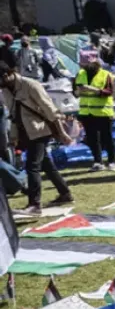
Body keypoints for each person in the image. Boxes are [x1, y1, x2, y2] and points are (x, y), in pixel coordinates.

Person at [0, 66, 73, 214]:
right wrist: (13, 137)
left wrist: (62, 132)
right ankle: (65, 193)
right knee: (46, 164)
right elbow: (13, 116)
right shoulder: (6, 91)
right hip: (26, 132)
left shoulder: (31, 85)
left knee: (32, 165)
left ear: (8, 74)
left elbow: (50, 109)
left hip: (41, 130)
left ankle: (34, 204)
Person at [74, 49, 115, 171]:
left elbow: (109, 92)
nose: (82, 66)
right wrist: (78, 92)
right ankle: (98, 161)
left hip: (103, 111)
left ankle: (112, 161)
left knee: (107, 137)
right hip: (86, 112)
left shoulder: (105, 74)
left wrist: (92, 90)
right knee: (93, 138)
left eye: (84, 63)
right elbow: (75, 92)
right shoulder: (80, 74)